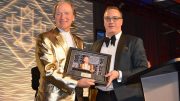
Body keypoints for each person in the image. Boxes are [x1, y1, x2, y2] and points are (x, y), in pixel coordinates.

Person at [35, 0, 95, 101]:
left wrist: (90, 72)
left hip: (76, 96)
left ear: (73, 16)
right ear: (54, 17)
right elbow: (48, 71)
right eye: (58, 14)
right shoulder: (45, 38)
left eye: (66, 13)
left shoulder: (79, 41)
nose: (63, 17)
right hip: (54, 98)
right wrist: (76, 82)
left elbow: (81, 68)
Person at [91, 5, 148, 101]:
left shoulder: (134, 42)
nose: (111, 21)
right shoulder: (96, 45)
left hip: (127, 96)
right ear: (104, 21)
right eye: (107, 18)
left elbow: (143, 69)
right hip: (101, 96)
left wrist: (119, 74)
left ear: (121, 21)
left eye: (115, 18)